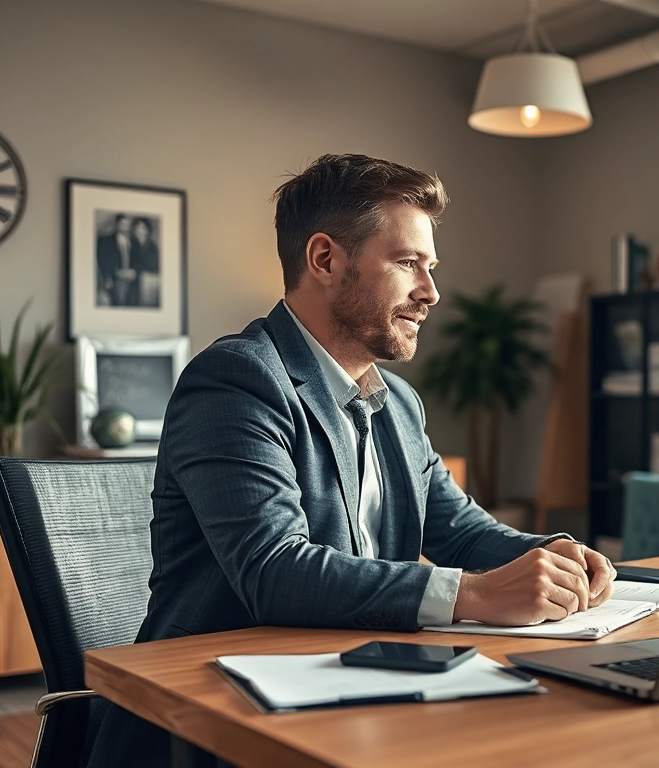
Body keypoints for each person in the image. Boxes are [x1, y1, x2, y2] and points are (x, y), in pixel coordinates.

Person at [87, 154, 614, 767]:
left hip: (358, 692)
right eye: (408, 263)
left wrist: (553, 554)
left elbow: (461, 530)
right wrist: (474, 594)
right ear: (325, 260)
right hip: (213, 721)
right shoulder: (236, 379)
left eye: (431, 267)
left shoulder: (399, 404)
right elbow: (274, 570)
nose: (431, 292)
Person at [94, 213, 136, 306]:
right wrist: (115, 273)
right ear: (117, 224)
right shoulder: (106, 241)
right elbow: (103, 261)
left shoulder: (134, 241)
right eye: (122, 224)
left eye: (127, 224)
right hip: (115, 278)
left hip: (131, 277)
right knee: (121, 292)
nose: (125, 227)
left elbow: (138, 261)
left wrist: (133, 272)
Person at [130, 216, 160, 307]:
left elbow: (154, 265)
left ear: (147, 230)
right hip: (132, 278)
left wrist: (138, 270)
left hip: (147, 277)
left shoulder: (152, 246)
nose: (140, 231)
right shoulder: (130, 244)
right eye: (137, 228)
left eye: (143, 228)